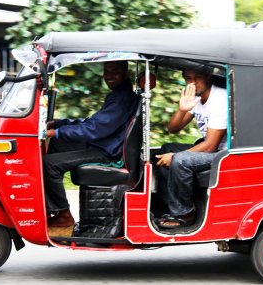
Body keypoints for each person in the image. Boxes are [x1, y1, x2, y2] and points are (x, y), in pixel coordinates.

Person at [43, 61, 139, 237]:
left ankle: (63, 215)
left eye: (115, 71)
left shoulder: (121, 99)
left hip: (108, 152)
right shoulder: (118, 95)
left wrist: (56, 131)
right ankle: (52, 204)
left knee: (49, 164)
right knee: (57, 144)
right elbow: (93, 122)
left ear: (125, 72)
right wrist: (60, 124)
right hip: (105, 144)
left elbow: (95, 129)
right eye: (106, 71)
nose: (109, 75)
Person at [155, 68, 227, 229]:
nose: (193, 82)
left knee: (179, 160)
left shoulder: (219, 98)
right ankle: (170, 206)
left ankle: (185, 213)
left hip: (225, 153)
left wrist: (175, 156)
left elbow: (210, 146)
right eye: (188, 78)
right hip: (211, 148)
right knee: (166, 148)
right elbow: (173, 129)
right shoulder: (196, 97)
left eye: (198, 77)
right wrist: (182, 109)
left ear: (208, 77)